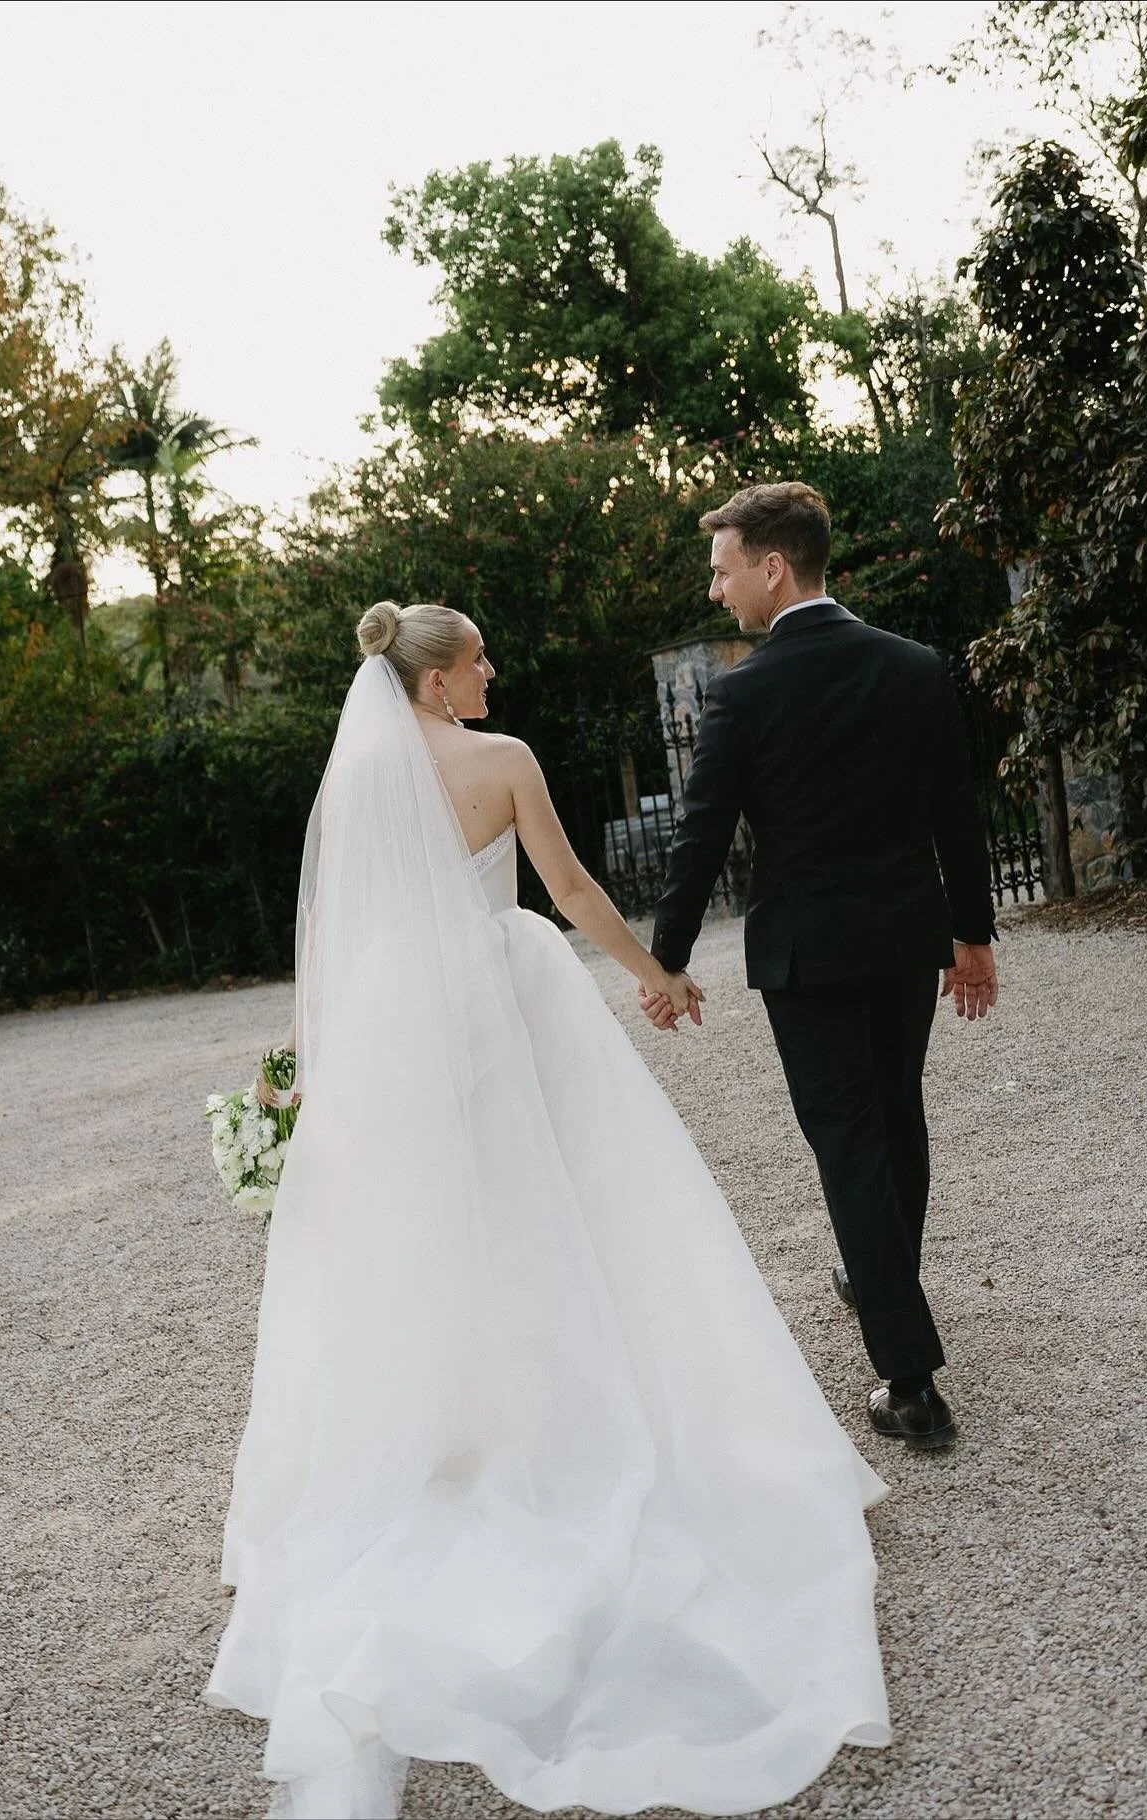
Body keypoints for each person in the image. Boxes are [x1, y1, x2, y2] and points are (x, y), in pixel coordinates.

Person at [203, 599, 892, 1819]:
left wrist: (303, 1069)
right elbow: (567, 885)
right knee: (557, 1205)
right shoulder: (502, 760)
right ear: (434, 680)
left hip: (391, 1021)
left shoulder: (357, 776)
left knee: (429, 1230)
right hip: (497, 996)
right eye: (478, 657)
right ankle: (561, 1410)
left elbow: (326, 929)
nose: (492, 670)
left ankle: (451, 1421)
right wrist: (657, 975)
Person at [645, 481, 999, 1454]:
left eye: (723, 571)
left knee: (848, 1139)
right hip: (901, 940)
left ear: (773, 566)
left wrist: (665, 958)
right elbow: (954, 813)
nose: (716, 592)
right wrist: (973, 931)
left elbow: (700, 837)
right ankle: (880, 1273)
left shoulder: (744, 692)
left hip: (807, 955)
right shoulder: (914, 666)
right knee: (895, 1116)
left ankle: (910, 1382)